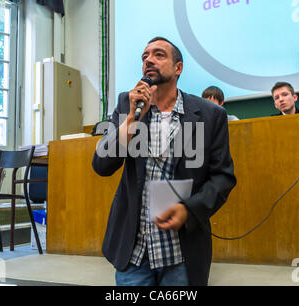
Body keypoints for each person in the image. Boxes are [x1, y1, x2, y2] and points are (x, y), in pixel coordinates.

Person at [92, 37, 236, 286]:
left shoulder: (210, 115)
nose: (148, 59)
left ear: (178, 68)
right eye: (145, 56)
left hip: (181, 253)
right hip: (134, 253)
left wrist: (189, 210)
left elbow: (223, 178)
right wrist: (131, 121)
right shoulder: (127, 105)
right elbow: (102, 165)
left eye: (159, 55)